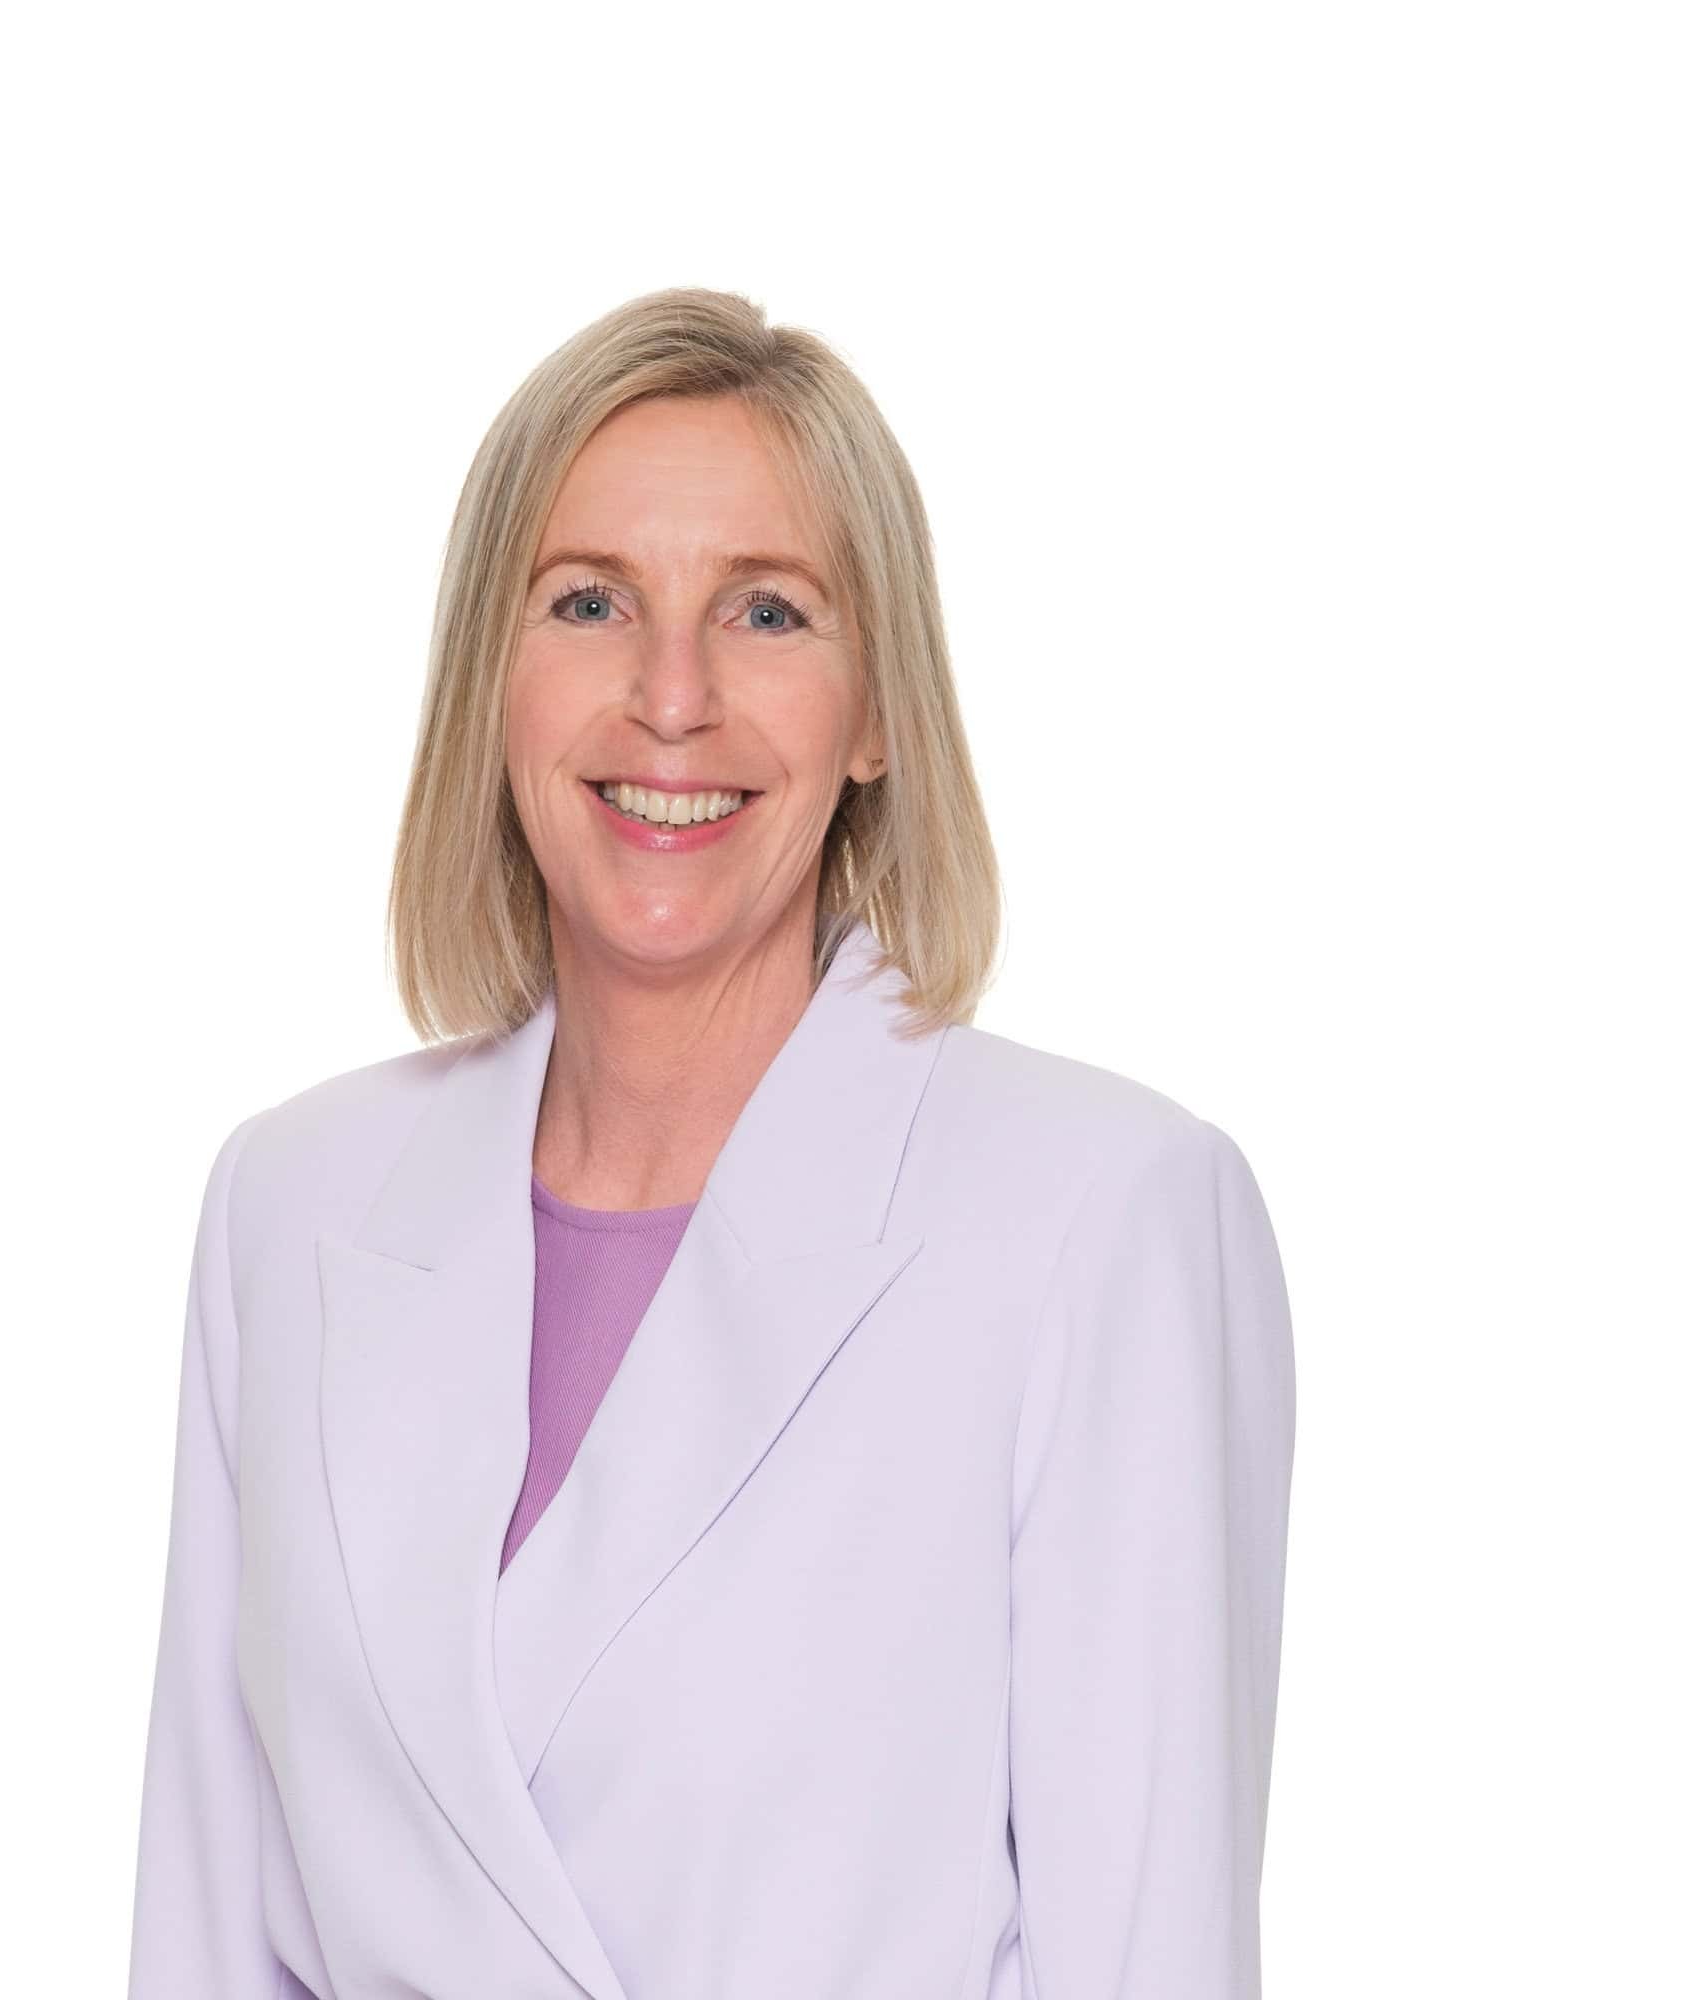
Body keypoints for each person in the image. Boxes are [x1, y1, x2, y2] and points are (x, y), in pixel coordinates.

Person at [126, 286, 1297, 2000]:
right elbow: (210, 1933)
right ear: (493, 680)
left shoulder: (1101, 1216)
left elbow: (1149, 1956)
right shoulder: (290, 1209)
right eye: (589, 601)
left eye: (766, 611)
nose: (670, 695)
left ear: (877, 713)